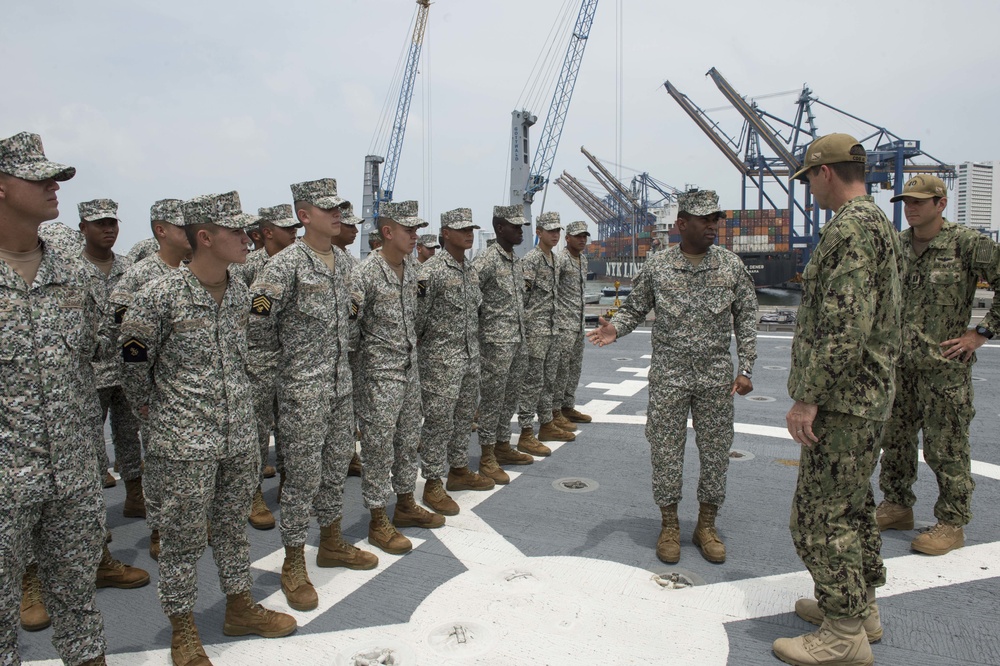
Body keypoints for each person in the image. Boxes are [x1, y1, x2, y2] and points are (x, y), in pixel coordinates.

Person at [120, 191, 296, 666]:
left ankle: (239, 606)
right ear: (204, 237)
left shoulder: (242, 289)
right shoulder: (158, 297)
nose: (248, 238)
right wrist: (162, 422)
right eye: (236, 232)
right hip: (182, 445)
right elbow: (134, 371)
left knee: (234, 529)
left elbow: (253, 348)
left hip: (239, 434)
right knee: (180, 539)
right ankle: (183, 629)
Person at [773, 134, 901, 665]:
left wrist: (808, 398)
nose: (810, 191)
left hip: (843, 402)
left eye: (809, 180)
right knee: (853, 507)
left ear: (826, 173)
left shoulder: (848, 230)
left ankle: (842, 634)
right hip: (869, 396)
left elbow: (845, 327)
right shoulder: (879, 224)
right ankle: (859, 608)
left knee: (819, 516)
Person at [588, 190, 757, 566]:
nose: (713, 225)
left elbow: (746, 317)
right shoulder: (658, 265)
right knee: (665, 452)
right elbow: (634, 308)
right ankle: (669, 525)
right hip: (669, 376)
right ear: (682, 223)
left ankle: (706, 526)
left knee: (715, 453)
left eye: (716, 219)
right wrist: (616, 328)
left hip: (715, 378)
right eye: (705, 219)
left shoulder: (730, 266)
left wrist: (746, 367)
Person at [0, 130, 108, 666]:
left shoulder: (74, 277)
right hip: (5, 477)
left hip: (72, 469)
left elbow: (88, 353)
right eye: (38, 178)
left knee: (78, 599)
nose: (53, 187)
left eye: (55, 178)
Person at [249, 180, 378, 613]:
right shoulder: (283, 267)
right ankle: (292, 562)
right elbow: (257, 331)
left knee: (337, 466)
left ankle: (332, 541)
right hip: (302, 389)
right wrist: (274, 387)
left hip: (341, 388)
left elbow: (353, 320)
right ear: (304, 216)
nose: (338, 215)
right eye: (328, 209)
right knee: (301, 476)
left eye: (339, 208)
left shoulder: (343, 262)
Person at [877, 174, 1000, 555]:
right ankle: (897, 505)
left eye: (919, 201)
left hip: (943, 369)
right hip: (898, 367)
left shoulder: (968, 244)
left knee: (945, 448)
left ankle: (952, 521)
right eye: (906, 202)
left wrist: (980, 333)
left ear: (940, 204)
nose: (911, 208)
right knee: (894, 443)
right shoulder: (896, 245)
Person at [351, 200, 445, 555]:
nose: (415, 237)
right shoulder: (365, 274)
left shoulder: (413, 269)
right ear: (387, 232)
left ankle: (405, 503)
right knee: (377, 449)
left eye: (417, 231)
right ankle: (378, 517)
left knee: (407, 442)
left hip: (409, 373)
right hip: (379, 377)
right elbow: (350, 332)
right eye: (409, 230)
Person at [109, 198, 191, 561]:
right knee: (158, 464)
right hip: (157, 392)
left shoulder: (196, 271)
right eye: (180, 227)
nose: (189, 233)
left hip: (193, 389)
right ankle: (159, 528)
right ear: (161, 231)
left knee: (192, 464)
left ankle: (187, 521)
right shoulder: (140, 276)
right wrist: (142, 396)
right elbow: (127, 340)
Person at [416, 207, 494, 515]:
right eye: (462, 229)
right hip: (439, 361)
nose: (469, 233)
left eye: (471, 228)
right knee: (438, 422)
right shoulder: (430, 271)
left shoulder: (470, 269)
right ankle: (434, 481)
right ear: (445, 233)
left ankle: (459, 469)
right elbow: (418, 319)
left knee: (463, 417)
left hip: (469, 358)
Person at [235, 203, 301, 531]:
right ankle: (253, 493)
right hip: (259, 360)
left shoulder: (301, 264)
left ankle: (291, 483)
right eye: (287, 227)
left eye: (295, 227)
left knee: (291, 426)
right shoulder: (250, 267)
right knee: (258, 431)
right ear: (268, 232)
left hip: (292, 359)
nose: (294, 232)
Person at [473, 204, 538, 473]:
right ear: (500, 228)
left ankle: (502, 444)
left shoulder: (515, 262)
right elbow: (470, 301)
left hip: (517, 342)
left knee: (510, 397)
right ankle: (487, 454)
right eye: (515, 226)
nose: (520, 230)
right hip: (494, 345)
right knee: (492, 400)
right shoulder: (486, 261)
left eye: (521, 226)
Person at [517, 211, 575, 453]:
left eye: (557, 231)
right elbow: (523, 298)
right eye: (550, 231)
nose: (555, 235)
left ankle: (547, 423)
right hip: (535, 333)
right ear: (538, 232)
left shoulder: (556, 260)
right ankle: (526, 432)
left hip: (552, 330)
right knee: (532, 383)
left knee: (549, 380)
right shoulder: (531, 261)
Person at [553, 220, 593, 427]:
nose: (582, 240)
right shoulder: (559, 260)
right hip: (563, 325)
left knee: (574, 368)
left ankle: (568, 406)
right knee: (560, 369)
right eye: (578, 236)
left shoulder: (583, 260)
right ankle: (555, 410)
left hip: (578, 325)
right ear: (567, 238)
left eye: (584, 236)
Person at [333, 206, 363, 479]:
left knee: (349, 409)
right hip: (313, 362)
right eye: (350, 226)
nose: (355, 231)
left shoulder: (352, 263)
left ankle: (348, 453)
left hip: (351, 350)